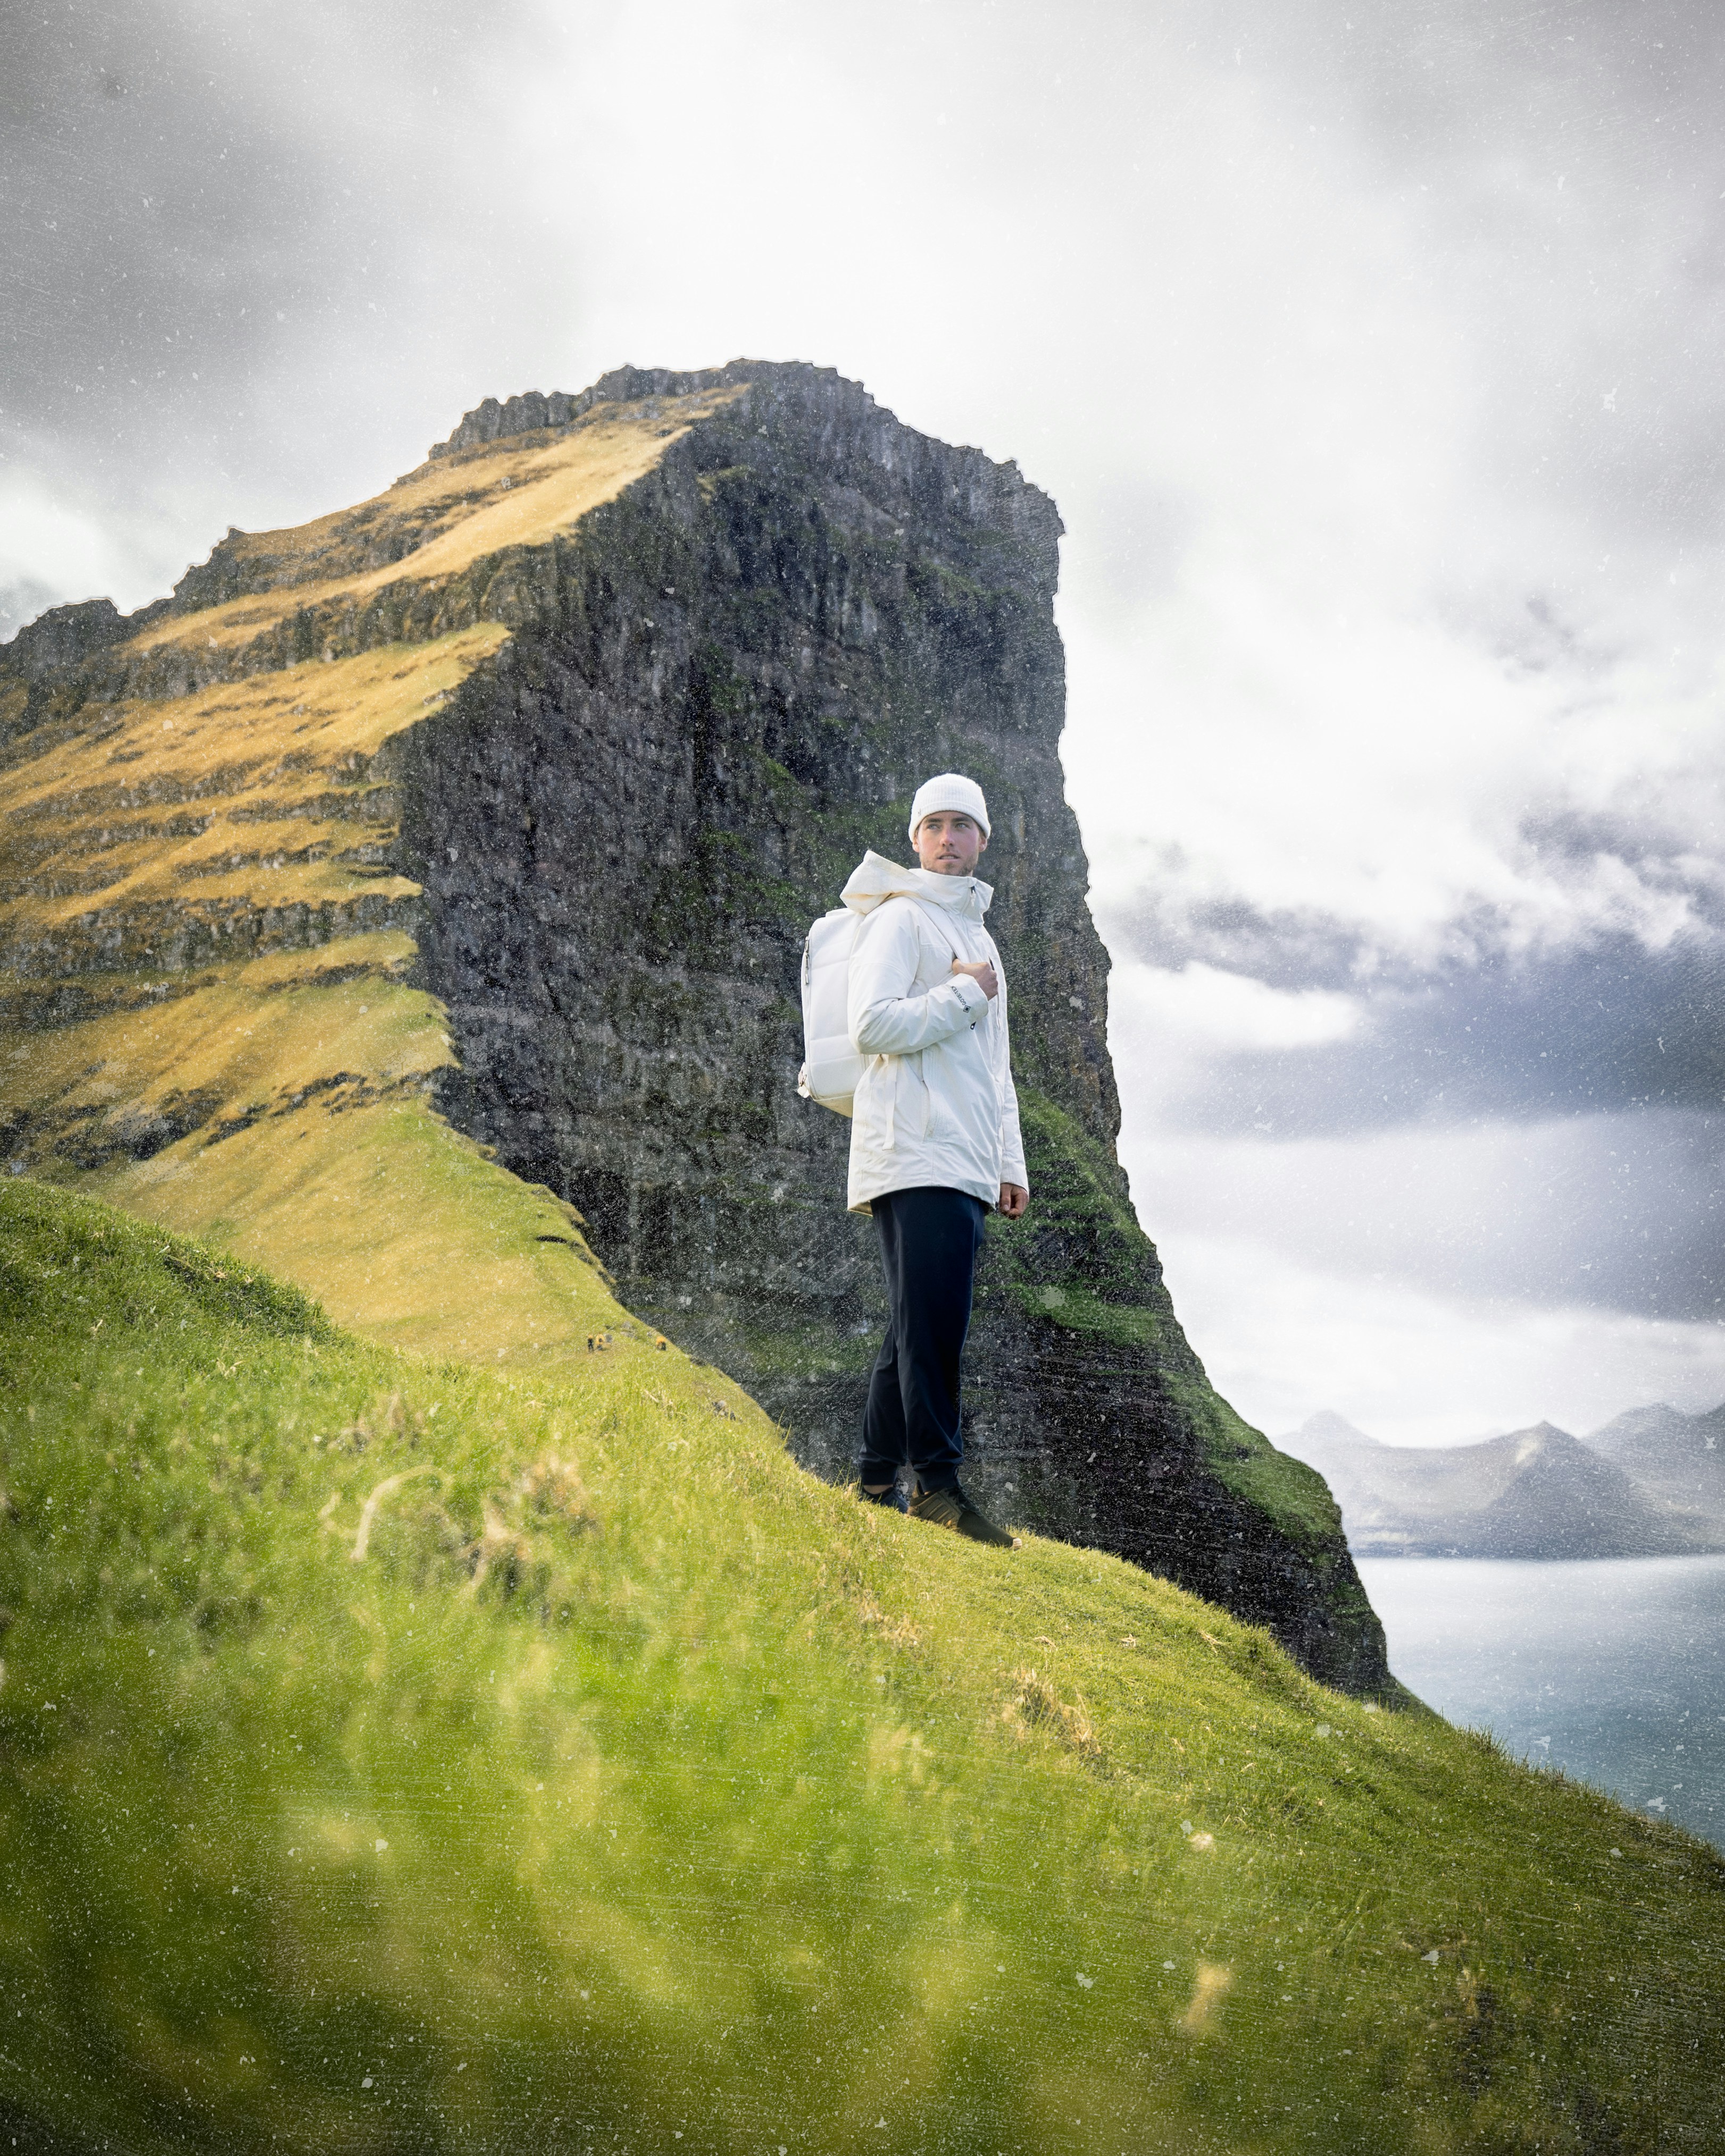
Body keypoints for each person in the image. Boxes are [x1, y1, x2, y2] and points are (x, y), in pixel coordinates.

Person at [839, 772, 1029, 1547]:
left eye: (963, 825)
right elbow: (871, 1026)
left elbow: (997, 1069)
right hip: (914, 1152)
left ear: (984, 839)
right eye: (935, 825)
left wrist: (1008, 1162)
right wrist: (962, 998)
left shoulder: (982, 944)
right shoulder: (902, 921)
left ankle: (877, 1478)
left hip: (964, 1158)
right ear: (916, 838)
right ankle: (939, 1489)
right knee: (934, 1328)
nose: (949, 838)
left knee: (914, 1326)